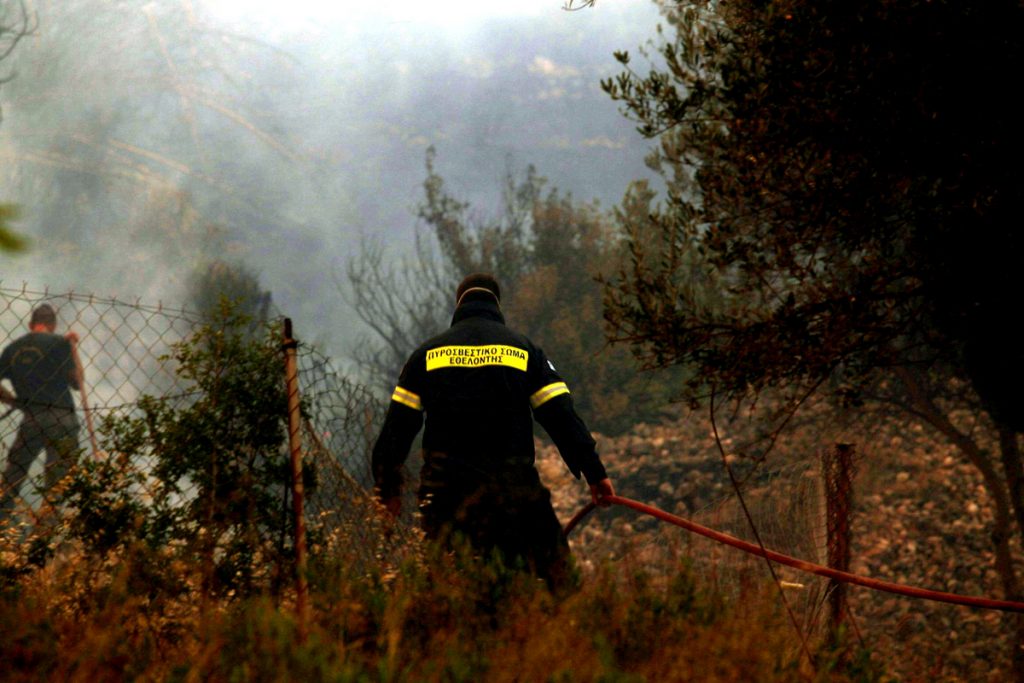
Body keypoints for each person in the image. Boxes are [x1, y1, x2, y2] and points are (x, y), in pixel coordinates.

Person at [372, 273, 615, 591]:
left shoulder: (425, 357)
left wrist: (388, 490)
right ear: (496, 305)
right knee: (558, 582)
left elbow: (396, 431)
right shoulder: (524, 352)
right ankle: (551, 633)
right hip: (514, 492)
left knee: (449, 589)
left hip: (445, 496)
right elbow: (560, 416)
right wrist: (594, 472)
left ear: (459, 304)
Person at [0, 304, 82, 518]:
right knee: (56, 485)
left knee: (13, 476)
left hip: (32, 419)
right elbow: (77, 383)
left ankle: (2, 530)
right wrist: (72, 347)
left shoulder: (12, 349)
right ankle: (46, 539)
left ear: (30, 325)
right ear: (53, 325)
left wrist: (14, 402)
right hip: (62, 417)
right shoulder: (59, 343)